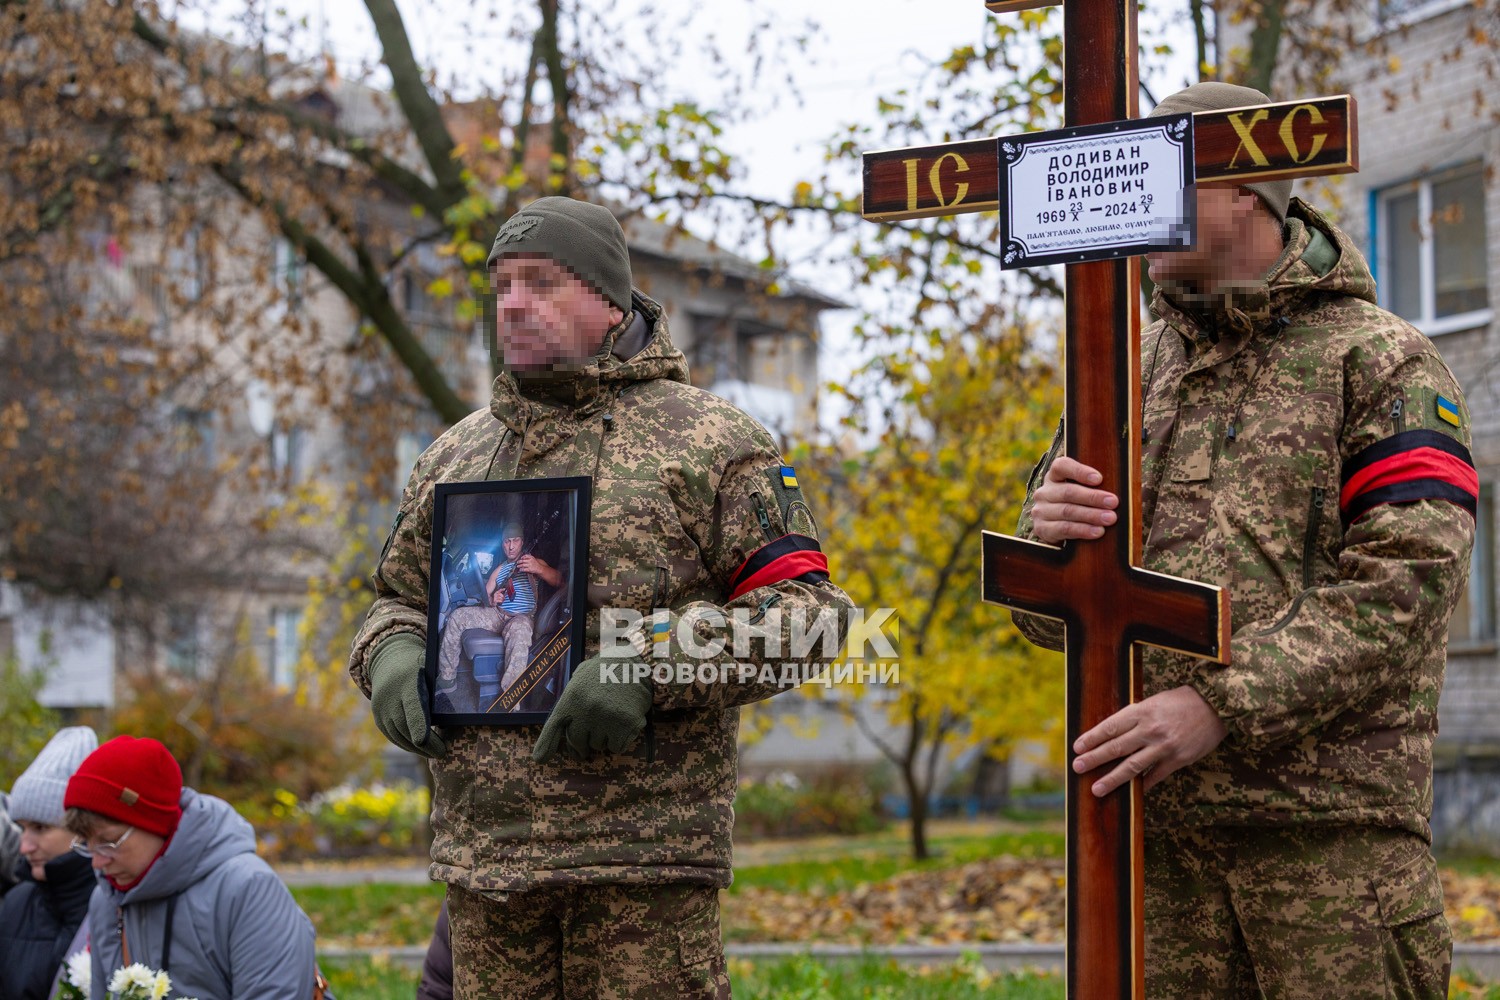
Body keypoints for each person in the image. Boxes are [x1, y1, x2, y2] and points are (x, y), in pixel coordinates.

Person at [1014, 82, 1476, 999]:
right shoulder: (1116, 368)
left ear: (1245, 191)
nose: (1133, 207)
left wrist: (1223, 702)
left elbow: (1410, 582)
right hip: (1148, 847)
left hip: (1325, 849)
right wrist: (1045, 549)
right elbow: (1050, 621)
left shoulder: (1378, 358)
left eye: (1159, 177)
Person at [350, 195, 853, 998]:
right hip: (489, 870)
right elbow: (394, 602)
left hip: (640, 870)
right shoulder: (455, 453)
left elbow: (811, 618)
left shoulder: (712, 441)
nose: (512, 303)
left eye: (541, 283)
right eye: (501, 284)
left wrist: (648, 665)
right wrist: (392, 654)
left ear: (610, 301)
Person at [62, 735, 319, 1000]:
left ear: (156, 823)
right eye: (86, 844)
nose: (97, 861)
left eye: (108, 842)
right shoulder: (106, 899)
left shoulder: (247, 889)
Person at [0, 726, 98, 1000]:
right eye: (22, 828)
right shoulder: (16, 903)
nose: (24, 846)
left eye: (41, 828)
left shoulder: (118, 908)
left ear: (83, 829)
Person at [436, 521, 560, 697]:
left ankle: (511, 697)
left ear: (522, 541)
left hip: (520, 617)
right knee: (457, 616)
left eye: (515, 540)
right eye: (506, 541)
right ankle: (447, 678)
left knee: (520, 630)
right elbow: (485, 597)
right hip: (497, 615)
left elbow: (559, 581)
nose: (510, 546)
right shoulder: (499, 569)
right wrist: (493, 600)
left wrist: (539, 568)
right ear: (502, 544)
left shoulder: (532, 562)